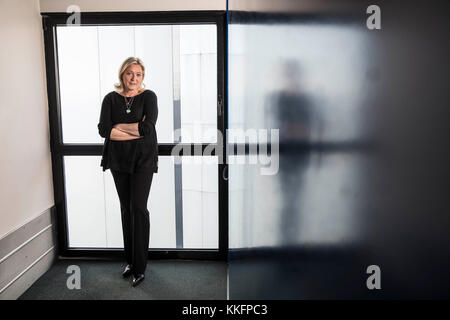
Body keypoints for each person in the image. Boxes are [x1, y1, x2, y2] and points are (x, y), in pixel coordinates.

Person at [97, 57, 158, 287]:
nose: (134, 78)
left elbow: (147, 128)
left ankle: (140, 267)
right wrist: (129, 129)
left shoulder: (149, 97)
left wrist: (119, 126)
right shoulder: (110, 99)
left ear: (143, 76)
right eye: (130, 73)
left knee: (138, 209)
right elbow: (104, 130)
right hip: (118, 160)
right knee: (126, 209)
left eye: (138, 74)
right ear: (122, 75)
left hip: (143, 159)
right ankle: (130, 262)